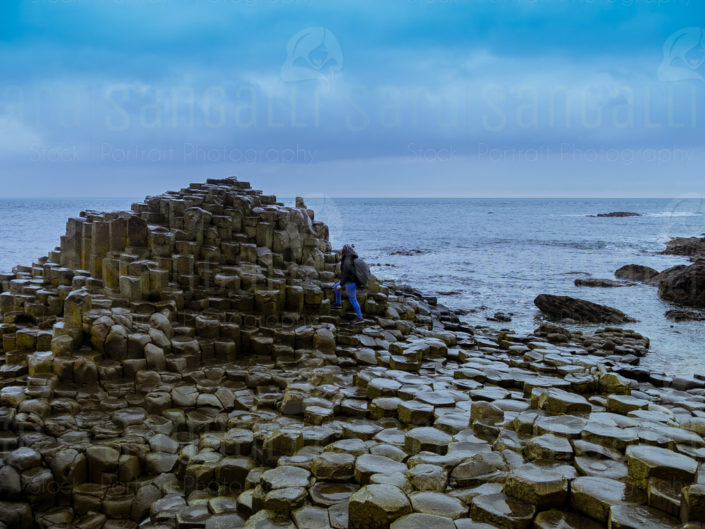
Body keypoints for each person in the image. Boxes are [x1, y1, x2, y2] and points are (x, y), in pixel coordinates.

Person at [334, 244, 364, 322]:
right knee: (335, 286)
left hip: (350, 283)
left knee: (353, 300)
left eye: (342, 250)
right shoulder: (353, 258)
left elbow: (345, 274)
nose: (341, 251)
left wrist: (341, 285)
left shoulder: (347, 260)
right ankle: (338, 304)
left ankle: (360, 317)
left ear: (345, 251)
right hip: (351, 282)